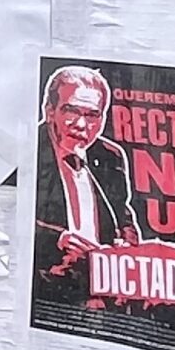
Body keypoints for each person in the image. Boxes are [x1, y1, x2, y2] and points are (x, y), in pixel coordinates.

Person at [35, 63, 140, 275]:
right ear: (50, 111)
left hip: (98, 278)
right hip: (44, 274)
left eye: (92, 115)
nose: (82, 125)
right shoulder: (28, 148)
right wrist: (58, 240)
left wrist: (127, 248)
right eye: (72, 111)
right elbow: (2, 213)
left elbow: (123, 218)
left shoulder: (111, 156)